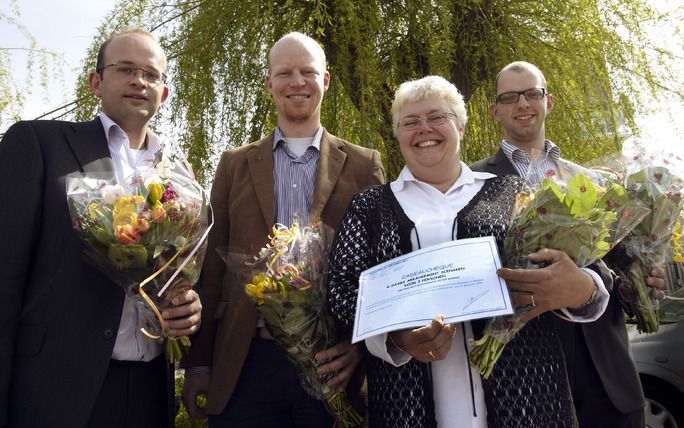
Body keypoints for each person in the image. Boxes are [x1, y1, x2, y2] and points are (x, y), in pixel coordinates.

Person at [326, 75, 616, 428]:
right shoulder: (369, 207)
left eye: (437, 117)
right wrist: (394, 337)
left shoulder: (516, 194)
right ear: (397, 133)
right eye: (410, 122)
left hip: (528, 401)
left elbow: (590, 270)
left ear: (461, 127)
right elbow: (342, 290)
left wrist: (581, 288)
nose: (424, 129)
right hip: (406, 408)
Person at [180, 32, 385, 427]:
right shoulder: (233, 165)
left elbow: (380, 270)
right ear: (268, 83)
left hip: (333, 365)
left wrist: (357, 347)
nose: (297, 82)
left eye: (308, 72)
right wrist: (197, 364)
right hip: (245, 362)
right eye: (284, 73)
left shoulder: (364, 165)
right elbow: (211, 271)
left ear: (325, 80)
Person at [0, 29, 202, 428]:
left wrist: (189, 309)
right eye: (125, 69)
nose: (138, 81)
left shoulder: (182, 177)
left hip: (148, 392)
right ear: (96, 82)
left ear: (163, 94)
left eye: (151, 74)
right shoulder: (38, 144)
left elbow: (182, 273)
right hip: (54, 389)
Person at [471, 60, 666, 428]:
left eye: (533, 93)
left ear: (549, 101)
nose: (523, 104)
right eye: (510, 97)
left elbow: (622, 270)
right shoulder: (472, 185)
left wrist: (638, 285)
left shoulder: (593, 180)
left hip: (606, 378)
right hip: (524, 384)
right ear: (495, 110)